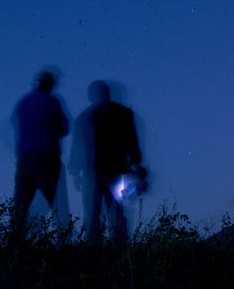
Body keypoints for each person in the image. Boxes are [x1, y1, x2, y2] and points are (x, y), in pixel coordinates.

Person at [69, 80, 142, 243]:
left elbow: (77, 145)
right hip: (116, 170)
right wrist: (136, 164)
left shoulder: (85, 116)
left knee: (92, 212)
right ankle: (120, 246)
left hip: (92, 171)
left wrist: (75, 171)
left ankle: (93, 249)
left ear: (91, 95)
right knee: (116, 209)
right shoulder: (123, 113)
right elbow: (132, 140)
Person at [11, 68, 70, 241]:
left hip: (25, 158)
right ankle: (63, 241)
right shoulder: (52, 101)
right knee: (57, 203)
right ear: (50, 84)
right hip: (47, 158)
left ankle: (15, 242)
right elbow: (65, 128)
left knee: (21, 204)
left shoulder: (23, 102)